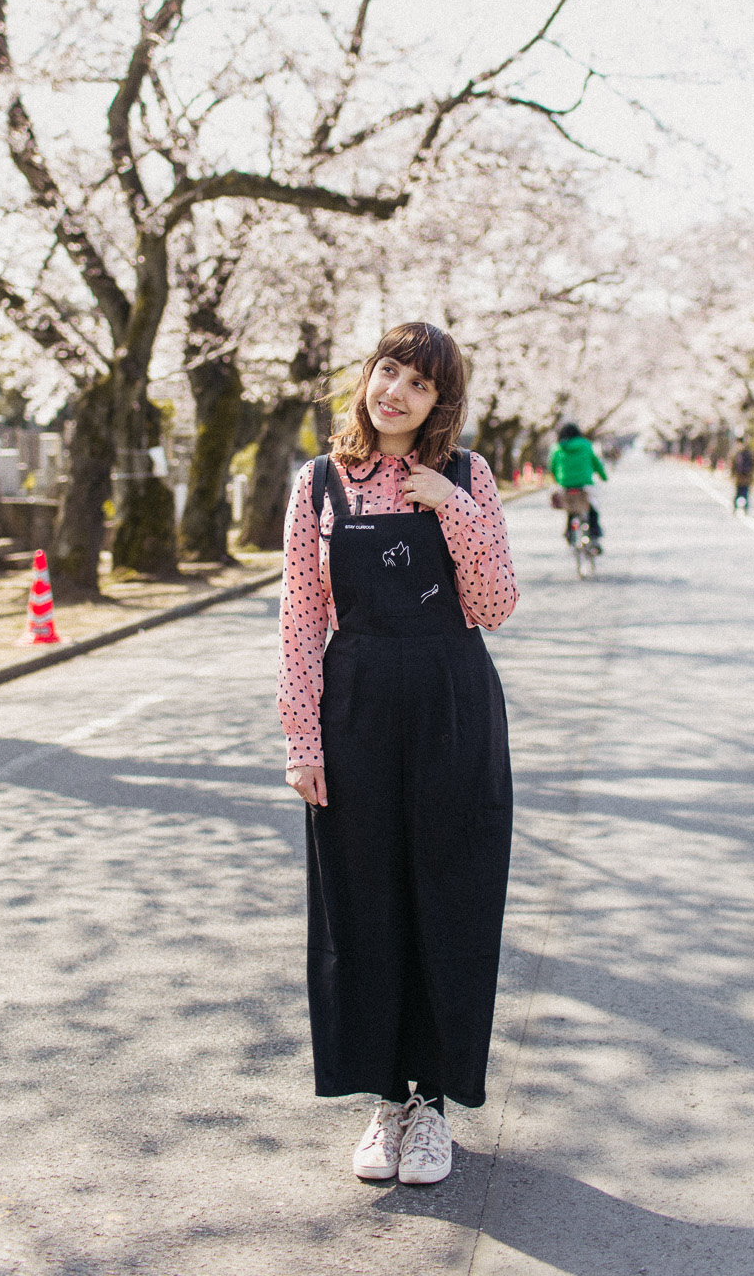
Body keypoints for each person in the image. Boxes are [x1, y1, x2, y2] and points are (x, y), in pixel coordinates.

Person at [277, 322, 518, 1188]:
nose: (396, 394)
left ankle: (434, 1108)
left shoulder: (467, 475)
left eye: (418, 384)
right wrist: (304, 738)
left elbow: (494, 603)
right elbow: (302, 619)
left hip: (452, 701)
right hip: (357, 705)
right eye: (388, 373)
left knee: (450, 896)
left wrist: (447, 505)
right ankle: (385, 1099)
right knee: (362, 899)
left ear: (439, 402)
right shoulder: (318, 483)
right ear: (366, 378)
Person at [549, 422, 607, 546]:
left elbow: (552, 467)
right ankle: (595, 532)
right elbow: (596, 463)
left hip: (565, 484)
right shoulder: (586, 445)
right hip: (584, 484)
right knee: (592, 507)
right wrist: (603, 477)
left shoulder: (557, 448)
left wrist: (556, 479)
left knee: (570, 509)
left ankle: (569, 532)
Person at [732, 442, 754, 512]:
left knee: (740, 493)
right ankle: (744, 508)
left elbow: (733, 466)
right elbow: (753, 465)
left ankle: (736, 508)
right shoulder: (749, 454)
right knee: (744, 493)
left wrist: (733, 475)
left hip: (740, 477)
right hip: (745, 477)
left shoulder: (737, 454)